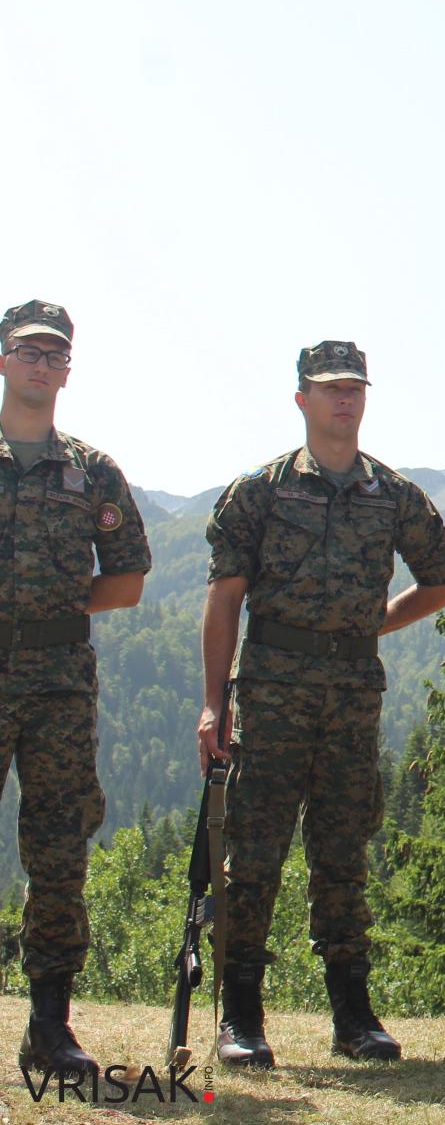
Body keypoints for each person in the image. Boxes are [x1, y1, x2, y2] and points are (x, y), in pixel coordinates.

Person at [199, 341, 445, 1066]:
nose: (345, 400)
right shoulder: (263, 490)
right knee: (255, 856)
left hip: (351, 698)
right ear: (302, 399)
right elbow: (223, 602)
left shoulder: (393, 495)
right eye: (330, 388)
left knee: (343, 855)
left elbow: (440, 583)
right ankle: (241, 1015)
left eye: (355, 388)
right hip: (272, 691)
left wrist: (372, 621)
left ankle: (353, 1015)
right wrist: (212, 705)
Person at [0, 300, 150, 1077]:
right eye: (28, 350)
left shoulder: (92, 471)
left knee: (59, 854)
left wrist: (55, 610)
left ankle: (49, 1029)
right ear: (2, 358)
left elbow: (126, 579)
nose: (42, 364)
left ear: (68, 370)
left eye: (55, 354)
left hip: (59, 681)